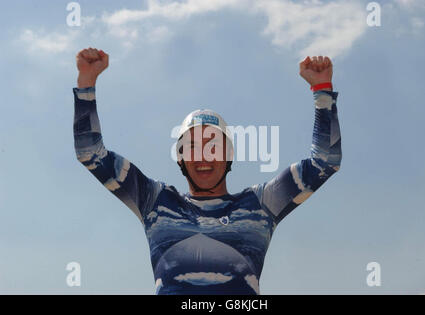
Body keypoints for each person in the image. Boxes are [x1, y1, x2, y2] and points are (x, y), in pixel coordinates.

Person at [73, 48, 342, 295]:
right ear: (180, 158)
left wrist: (322, 90)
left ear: (229, 156)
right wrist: (87, 82)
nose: (204, 156)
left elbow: (325, 162)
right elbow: (91, 154)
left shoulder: (260, 204)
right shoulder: (155, 201)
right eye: (193, 147)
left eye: (213, 145)